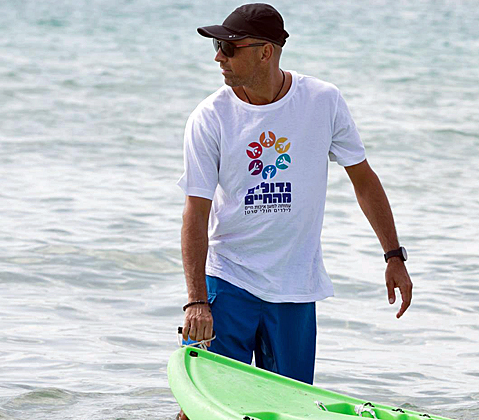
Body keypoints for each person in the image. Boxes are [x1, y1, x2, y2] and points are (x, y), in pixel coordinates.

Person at [176, 3, 413, 419]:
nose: (218, 58)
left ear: (265, 52)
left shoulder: (322, 101)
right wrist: (196, 301)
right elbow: (195, 212)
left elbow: (363, 179)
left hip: (296, 288)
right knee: (201, 406)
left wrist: (394, 256)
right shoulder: (210, 117)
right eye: (217, 47)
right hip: (228, 283)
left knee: (288, 410)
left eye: (228, 48)